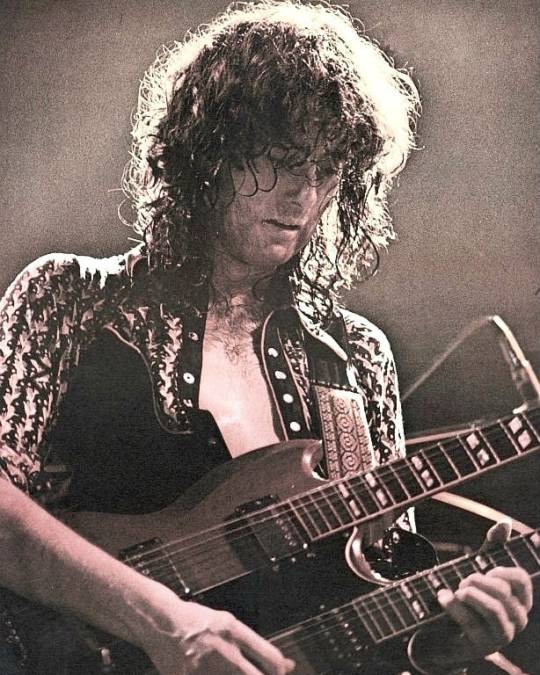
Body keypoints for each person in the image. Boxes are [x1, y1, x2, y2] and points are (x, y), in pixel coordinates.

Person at [0, 1, 533, 674]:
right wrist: (167, 623)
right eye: (282, 161)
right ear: (208, 153)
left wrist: (446, 641)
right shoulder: (71, 297)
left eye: (326, 170)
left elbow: (374, 600)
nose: (302, 195)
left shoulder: (356, 357)